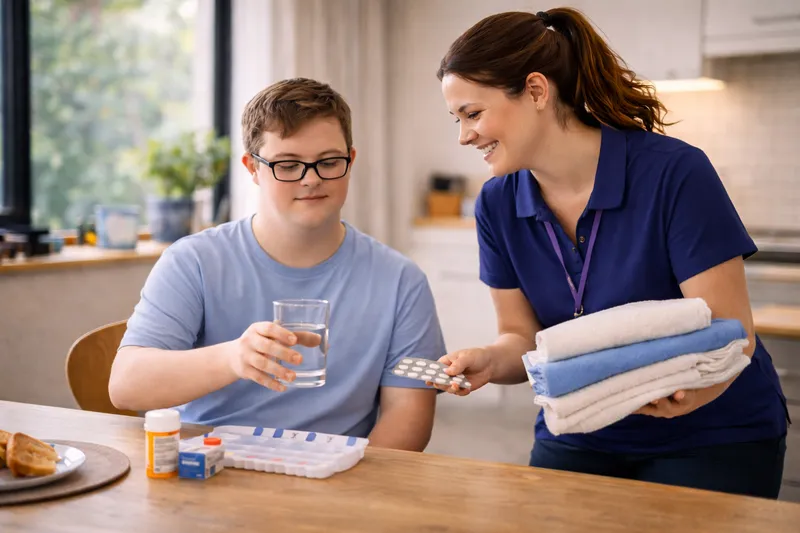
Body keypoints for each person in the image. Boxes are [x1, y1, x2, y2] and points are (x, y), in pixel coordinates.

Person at [434, 8, 789, 497]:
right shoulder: (496, 205)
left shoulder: (674, 173)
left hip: (710, 431)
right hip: (582, 427)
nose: (464, 135)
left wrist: (688, 395)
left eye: (473, 113)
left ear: (536, 91)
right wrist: (491, 361)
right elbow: (521, 336)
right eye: (457, 118)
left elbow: (731, 333)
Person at [109, 77, 445, 451]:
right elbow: (126, 386)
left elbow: (409, 417)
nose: (312, 179)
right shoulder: (194, 261)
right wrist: (233, 358)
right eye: (287, 165)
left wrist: (347, 486)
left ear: (350, 160)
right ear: (252, 168)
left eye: (328, 161)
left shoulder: (401, 281)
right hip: (210, 472)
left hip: (335, 480)